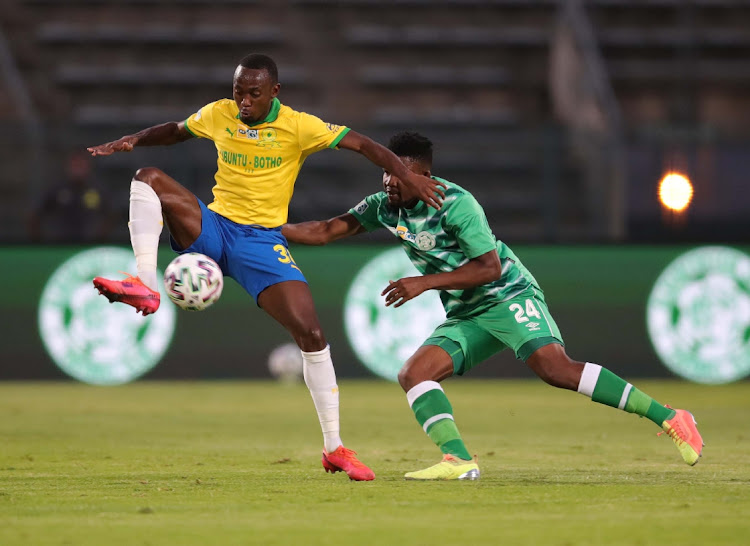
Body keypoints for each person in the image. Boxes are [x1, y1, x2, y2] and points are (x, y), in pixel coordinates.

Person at [86, 54, 447, 482]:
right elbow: (176, 131)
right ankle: (144, 284)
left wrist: (408, 178)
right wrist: (134, 138)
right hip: (213, 227)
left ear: (274, 92)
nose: (243, 102)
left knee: (311, 334)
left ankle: (335, 448)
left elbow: (366, 146)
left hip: (260, 240)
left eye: (253, 94)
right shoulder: (219, 114)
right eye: (238, 91)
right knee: (146, 177)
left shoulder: (299, 126)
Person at [282, 131, 705, 481]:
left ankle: (670, 416)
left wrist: (424, 282)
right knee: (414, 373)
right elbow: (323, 230)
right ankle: (460, 460)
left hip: (507, 294)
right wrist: (266, 229)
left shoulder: (455, 204)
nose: (389, 182)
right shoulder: (384, 207)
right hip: (468, 312)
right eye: (385, 171)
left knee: (555, 369)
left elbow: (489, 267)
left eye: (400, 174)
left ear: (425, 176)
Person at [28, 151, 114, 243]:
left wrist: (100, 238)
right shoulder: (56, 190)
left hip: (89, 246)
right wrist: (40, 242)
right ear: (68, 166)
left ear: (88, 167)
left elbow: (112, 215)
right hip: (60, 245)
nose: (78, 169)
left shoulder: (98, 191)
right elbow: (34, 216)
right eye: (75, 164)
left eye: (81, 164)